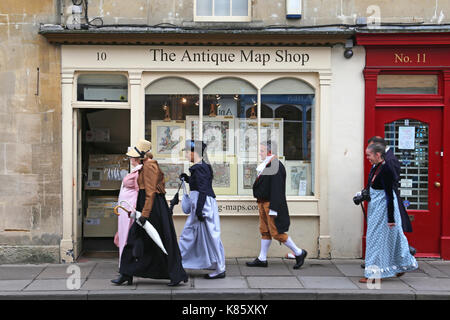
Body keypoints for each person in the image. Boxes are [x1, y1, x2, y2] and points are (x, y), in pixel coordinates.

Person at [111, 139, 188, 286]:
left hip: (153, 209)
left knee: (163, 241)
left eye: (134, 156)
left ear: (142, 156)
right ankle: (126, 273)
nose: (132, 159)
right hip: (148, 207)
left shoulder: (149, 166)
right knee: (134, 239)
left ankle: (176, 275)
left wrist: (145, 215)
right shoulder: (144, 165)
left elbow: (150, 192)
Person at [360, 143, 418, 283]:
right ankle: (399, 267)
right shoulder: (376, 167)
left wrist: (391, 218)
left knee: (376, 241)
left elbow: (389, 195)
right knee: (392, 239)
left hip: (384, 211)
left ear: (378, 154)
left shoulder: (386, 170)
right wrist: (362, 195)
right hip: (377, 209)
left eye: (369, 155)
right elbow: (372, 186)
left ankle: (373, 274)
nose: (367, 158)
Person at [247, 140, 307, 269]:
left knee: (276, 233)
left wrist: (274, 208)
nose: (260, 153)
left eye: (262, 150)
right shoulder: (267, 165)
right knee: (265, 231)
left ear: (270, 152)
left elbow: (277, 190)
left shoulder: (276, 166)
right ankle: (262, 259)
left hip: (271, 204)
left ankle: (299, 252)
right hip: (262, 203)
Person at [178, 140, 226, 279]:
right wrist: (187, 178)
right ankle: (215, 265)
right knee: (207, 236)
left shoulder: (200, 168)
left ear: (194, 152)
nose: (186, 155)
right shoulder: (201, 167)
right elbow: (199, 185)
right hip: (203, 204)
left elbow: (203, 189)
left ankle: (219, 268)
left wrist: (199, 211)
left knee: (206, 236)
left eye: (187, 152)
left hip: (203, 205)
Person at [113, 156, 141, 266]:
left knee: (127, 234)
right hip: (125, 208)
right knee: (123, 233)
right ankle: (123, 262)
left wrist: (134, 208)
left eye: (132, 158)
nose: (130, 159)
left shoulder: (138, 172)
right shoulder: (135, 171)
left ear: (136, 159)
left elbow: (138, 191)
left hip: (129, 208)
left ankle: (125, 264)